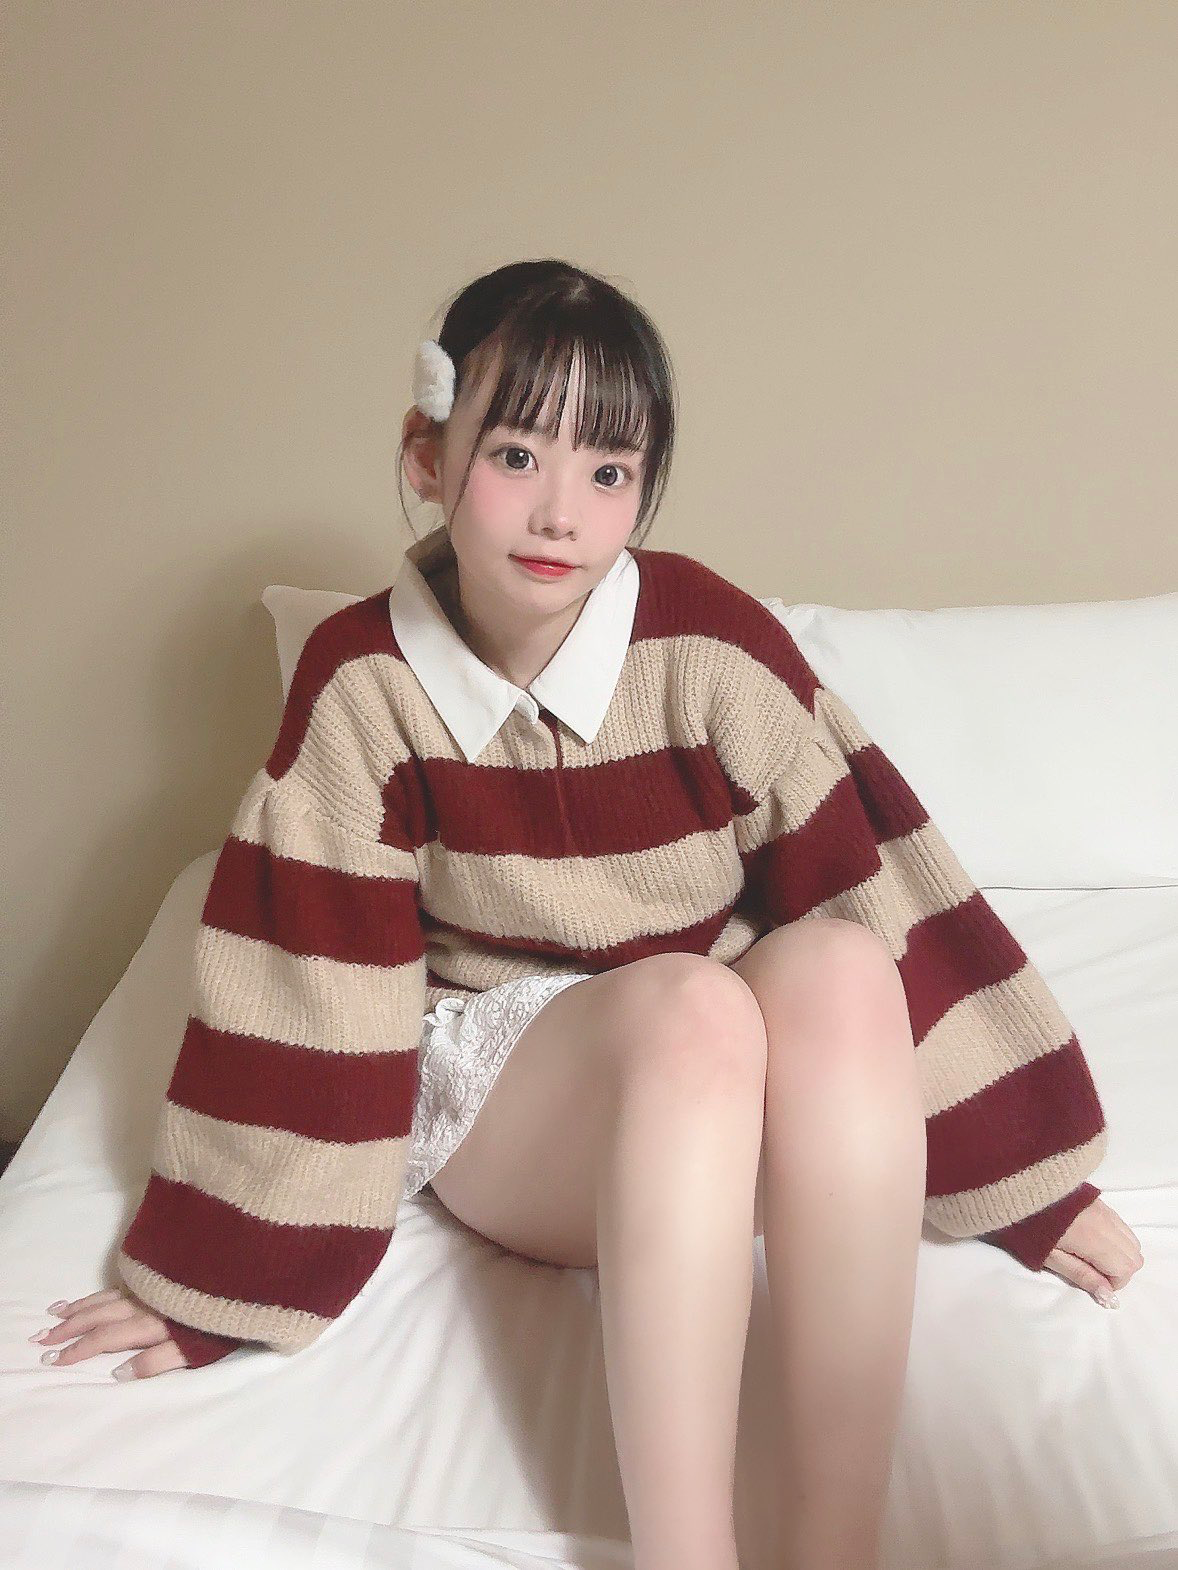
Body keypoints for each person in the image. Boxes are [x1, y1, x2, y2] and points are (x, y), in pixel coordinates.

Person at [37, 259, 1143, 1570]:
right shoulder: (362, 685)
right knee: (691, 1011)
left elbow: (877, 888)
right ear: (428, 456)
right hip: (529, 1105)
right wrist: (224, 1274)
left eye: (609, 472)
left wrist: (1016, 1183)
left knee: (843, 966)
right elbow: (307, 982)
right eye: (515, 455)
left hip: (725, 1083)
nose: (561, 512)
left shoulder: (713, 648)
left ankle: (835, 1545)